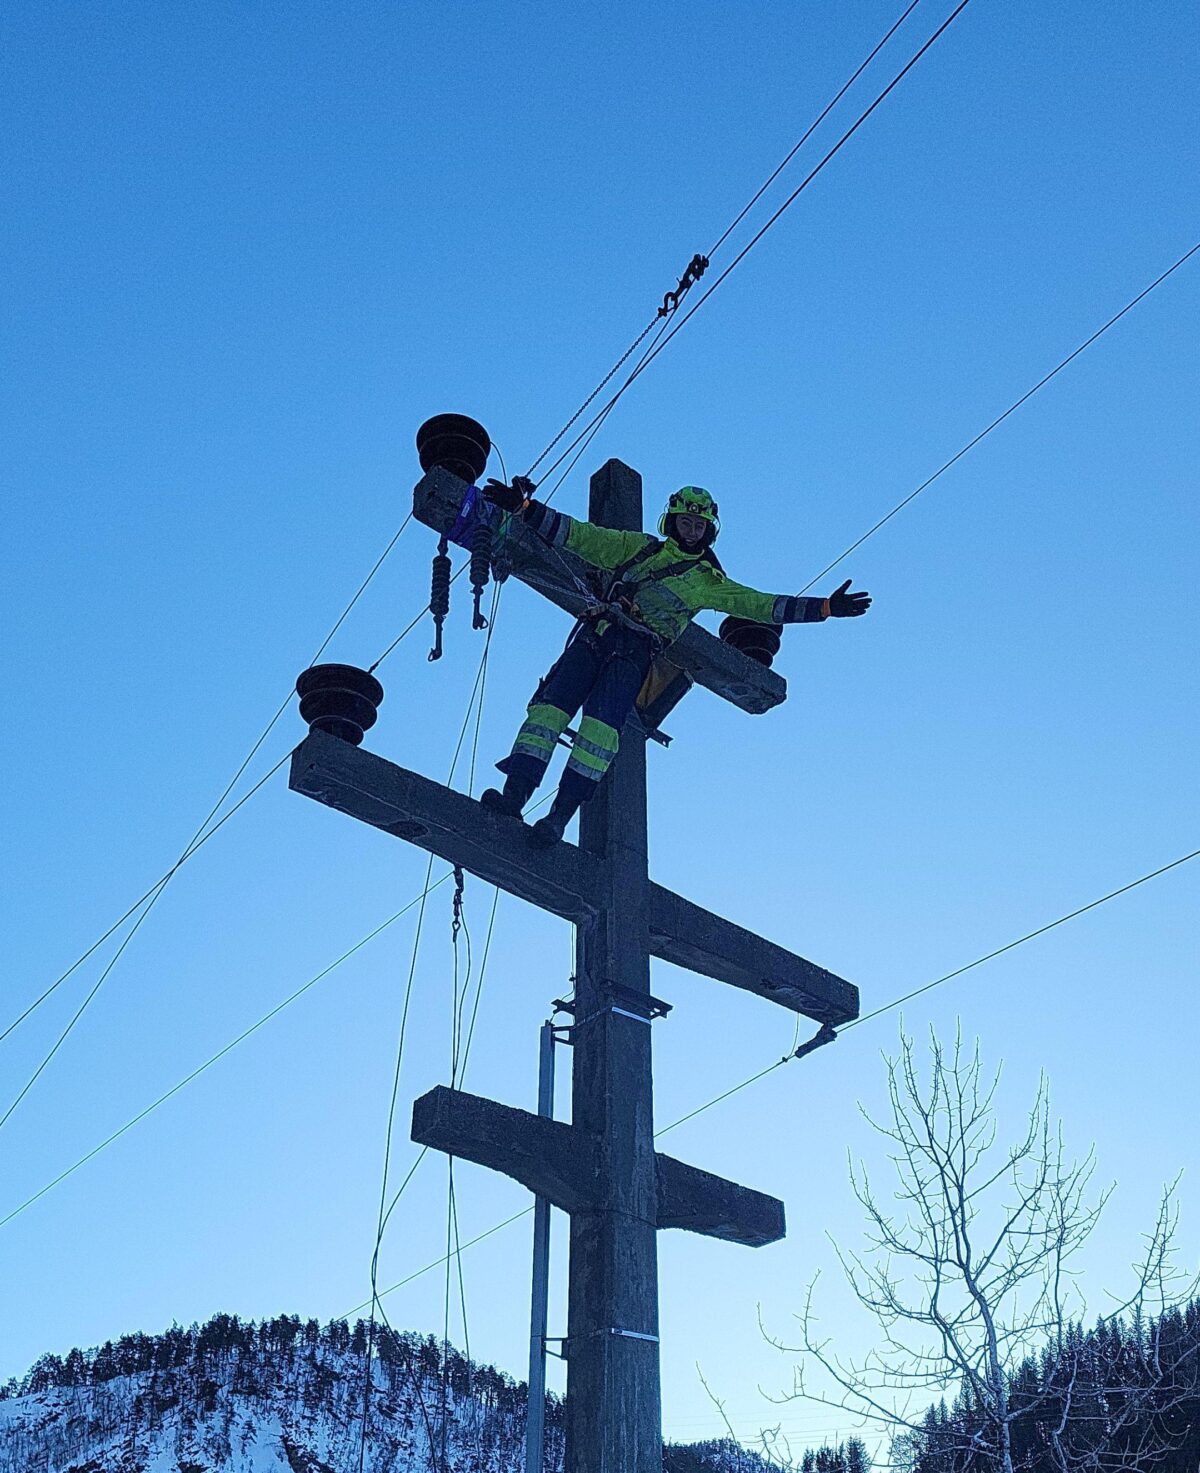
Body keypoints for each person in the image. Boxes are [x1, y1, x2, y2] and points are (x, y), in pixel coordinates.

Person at [479, 477, 871, 845]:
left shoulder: (708, 582)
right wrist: (525, 507)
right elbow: (579, 537)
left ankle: (557, 819)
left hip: (632, 654)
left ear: (709, 530)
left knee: (598, 737)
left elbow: (761, 605)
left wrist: (825, 608)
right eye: (687, 522)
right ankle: (514, 798)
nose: (693, 530)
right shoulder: (638, 547)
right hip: (594, 639)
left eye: (700, 525)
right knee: (546, 715)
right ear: (673, 521)